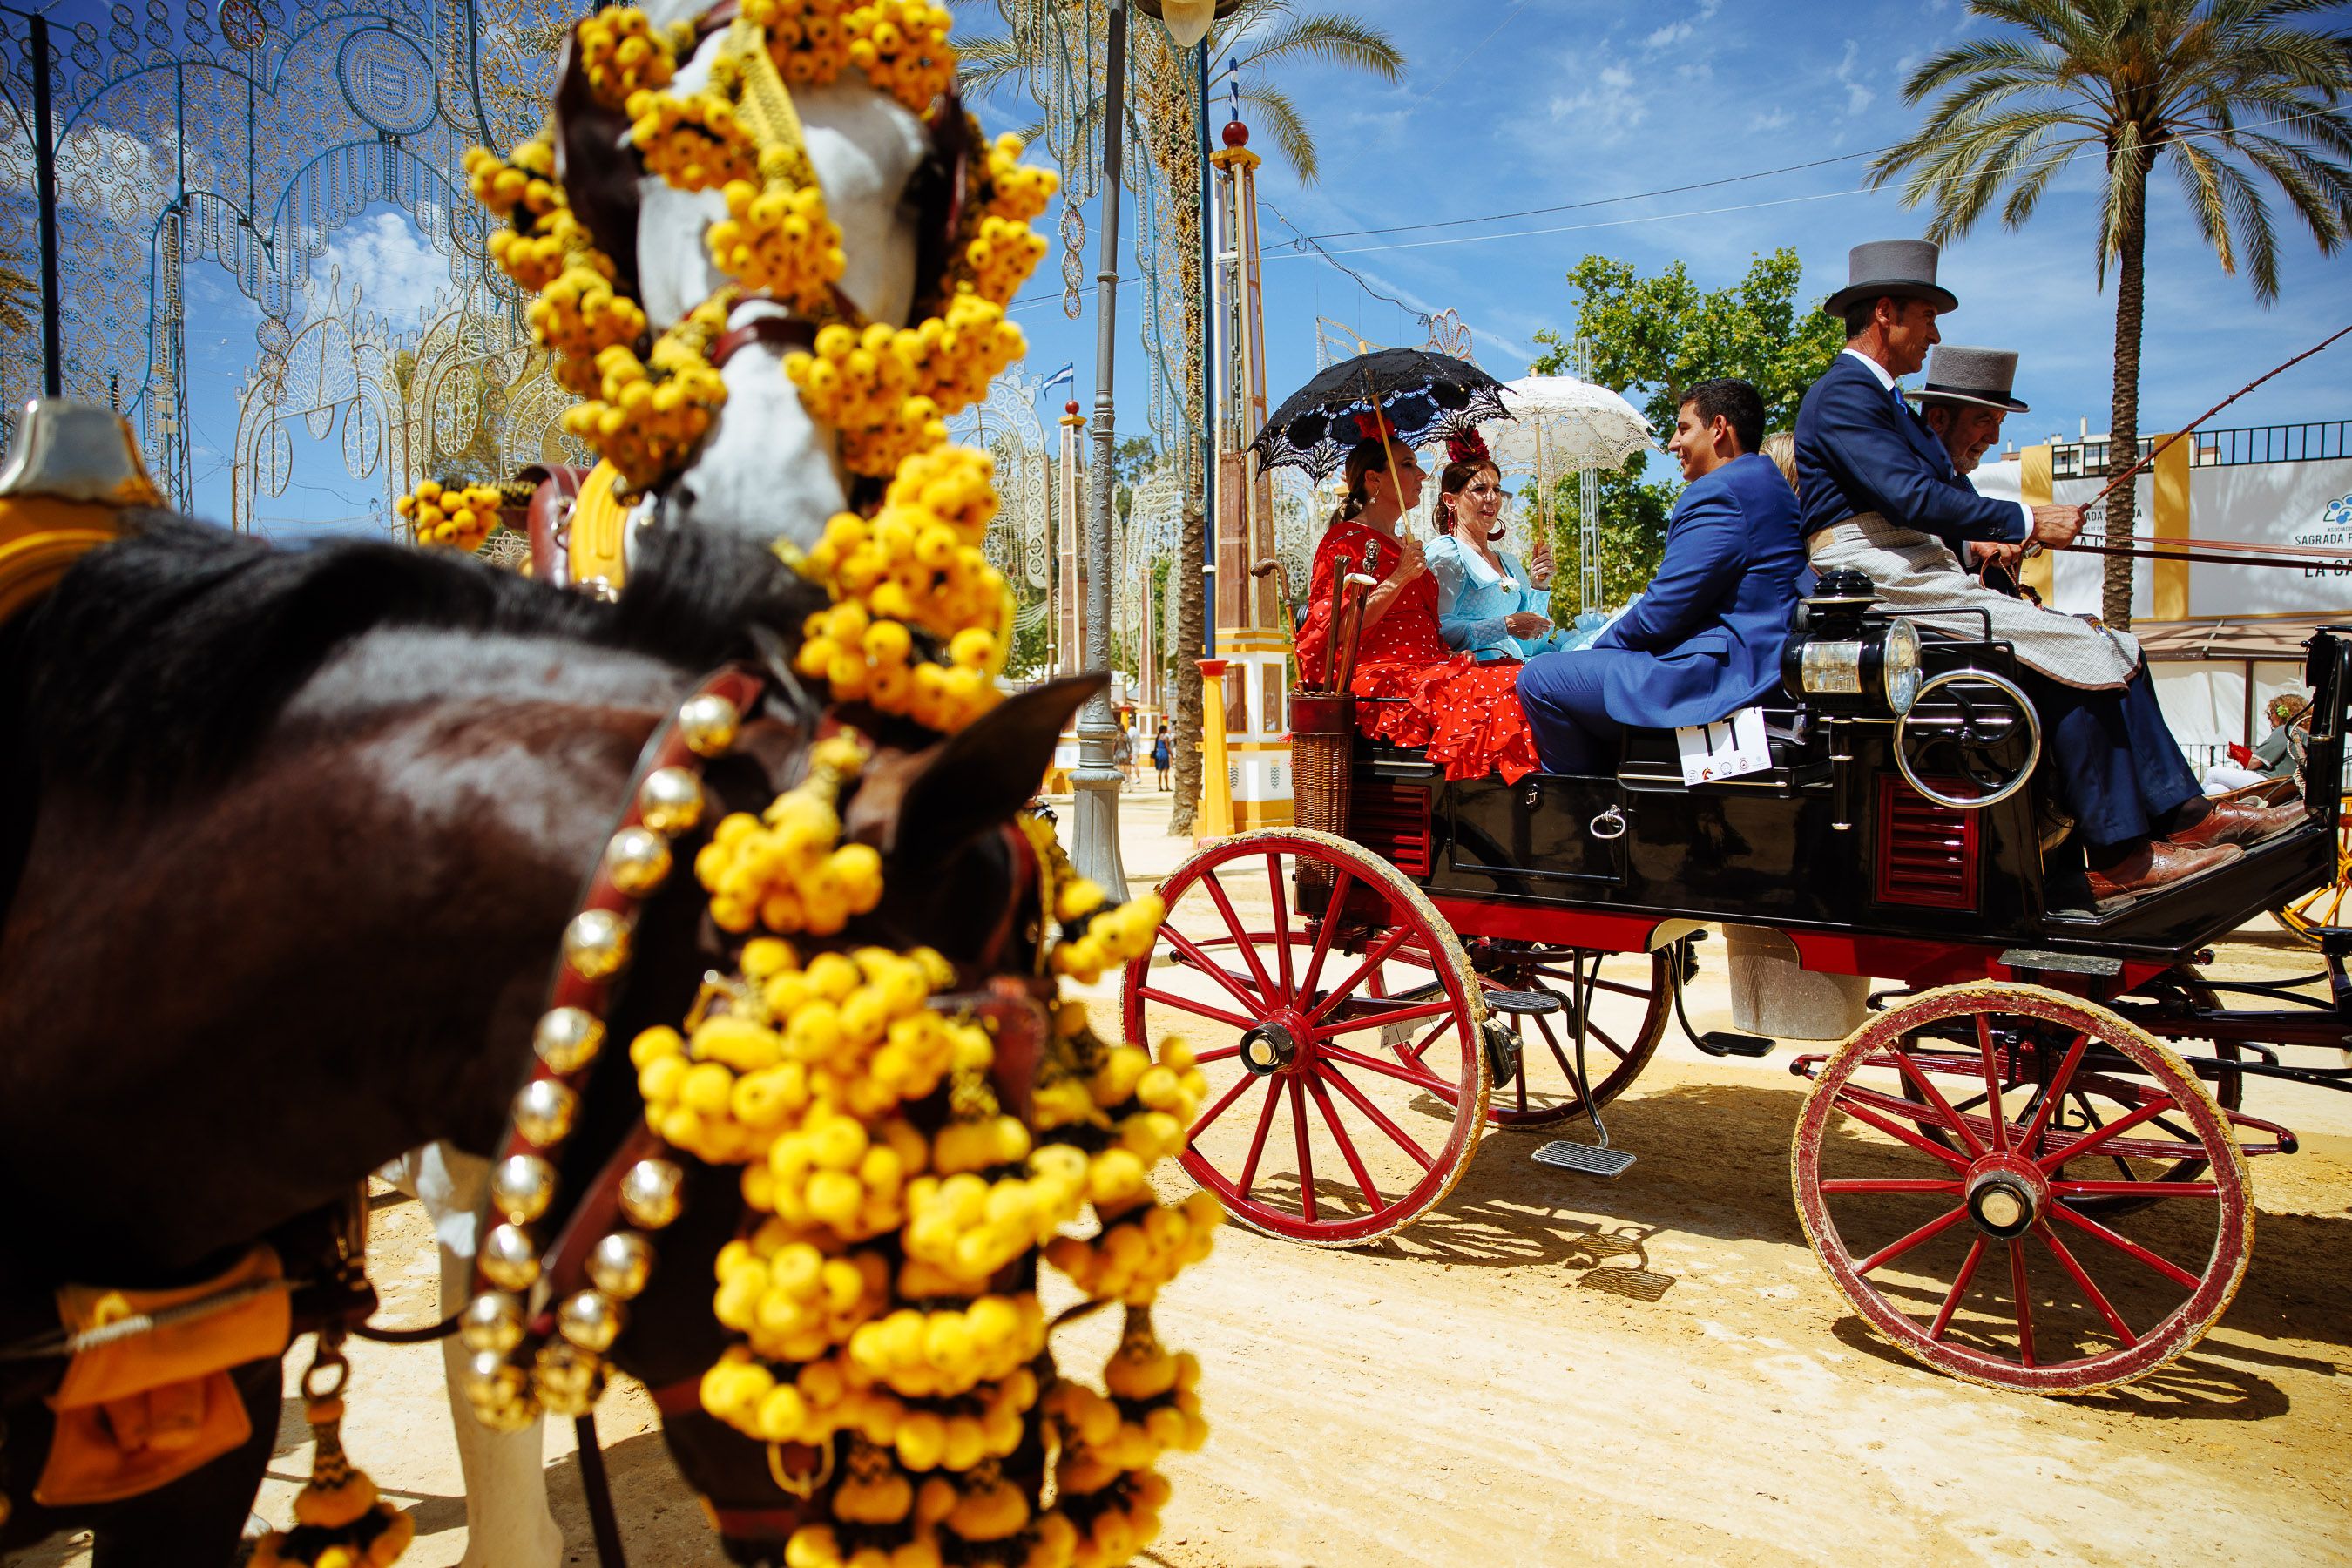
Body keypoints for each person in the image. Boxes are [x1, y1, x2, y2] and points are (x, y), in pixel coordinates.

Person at [1795, 244, 2301, 903]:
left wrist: (1982, 545)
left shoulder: (1878, 400)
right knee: (2074, 647)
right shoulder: (1843, 394)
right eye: (1927, 315)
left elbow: (1927, 501)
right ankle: (2124, 855)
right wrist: (2026, 522)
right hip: (1878, 577)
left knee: (2109, 644)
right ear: (1885, 313)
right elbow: (1911, 498)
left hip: (1912, 565)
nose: (1936, 333)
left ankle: (2185, 818)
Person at [1517, 377, 1806, 774]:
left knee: (1540, 678)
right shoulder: (1772, 484)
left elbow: (1662, 613)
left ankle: (1581, 814)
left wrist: (1597, 647)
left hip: (1718, 678)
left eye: (1684, 428)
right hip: (1760, 663)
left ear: (1719, 428)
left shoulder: (1718, 492)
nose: (1672, 443)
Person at [1293, 413, 1544, 782]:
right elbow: (1336, 631)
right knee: (1505, 688)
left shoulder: (1405, 544)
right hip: (1384, 679)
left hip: (1429, 669)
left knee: (1530, 680)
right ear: (1374, 479)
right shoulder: (1344, 541)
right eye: (1408, 465)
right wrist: (1399, 578)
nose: (1421, 475)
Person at [1425, 429, 1560, 661]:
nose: (1492, 498)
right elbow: (1436, 630)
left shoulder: (1509, 562)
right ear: (1450, 501)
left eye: (1496, 489)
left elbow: (1532, 646)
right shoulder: (1447, 553)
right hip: (1477, 675)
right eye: (1480, 489)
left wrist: (1539, 587)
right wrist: (1504, 625)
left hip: (1519, 666)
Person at [2203, 693, 2309, 794]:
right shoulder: (2304, 734)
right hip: (2285, 786)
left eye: (2271, 713)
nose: (2269, 718)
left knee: (2212, 773)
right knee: (2214, 789)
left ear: (2283, 713)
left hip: (2269, 782)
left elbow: (2253, 763)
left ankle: (2193, 808)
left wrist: (2238, 753)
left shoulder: (2285, 730)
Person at [1152, 723, 1171, 790]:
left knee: (1159, 771)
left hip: (1159, 753)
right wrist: (1171, 755)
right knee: (1165, 770)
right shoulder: (1165, 737)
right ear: (1164, 730)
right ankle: (1167, 786)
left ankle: (1160, 786)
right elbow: (1167, 747)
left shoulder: (1158, 737)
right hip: (1164, 753)